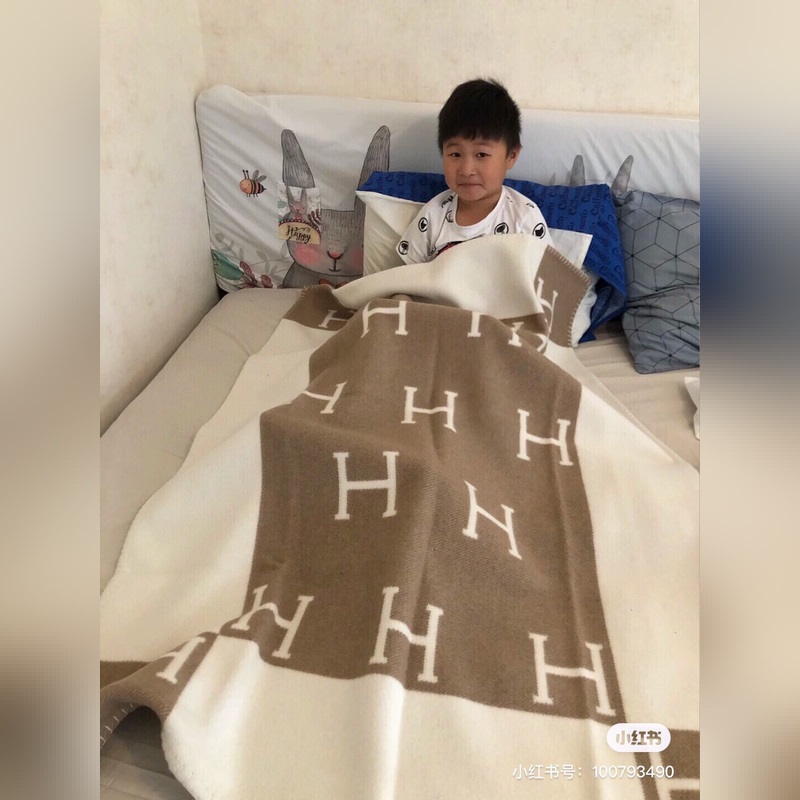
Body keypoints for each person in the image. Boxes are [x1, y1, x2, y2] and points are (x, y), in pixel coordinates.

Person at [396, 77, 552, 265]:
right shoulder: (433, 215)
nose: (466, 170)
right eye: (455, 154)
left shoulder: (524, 218)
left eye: (481, 154)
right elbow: (408, 276)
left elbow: (547, 280)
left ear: (511, 156)